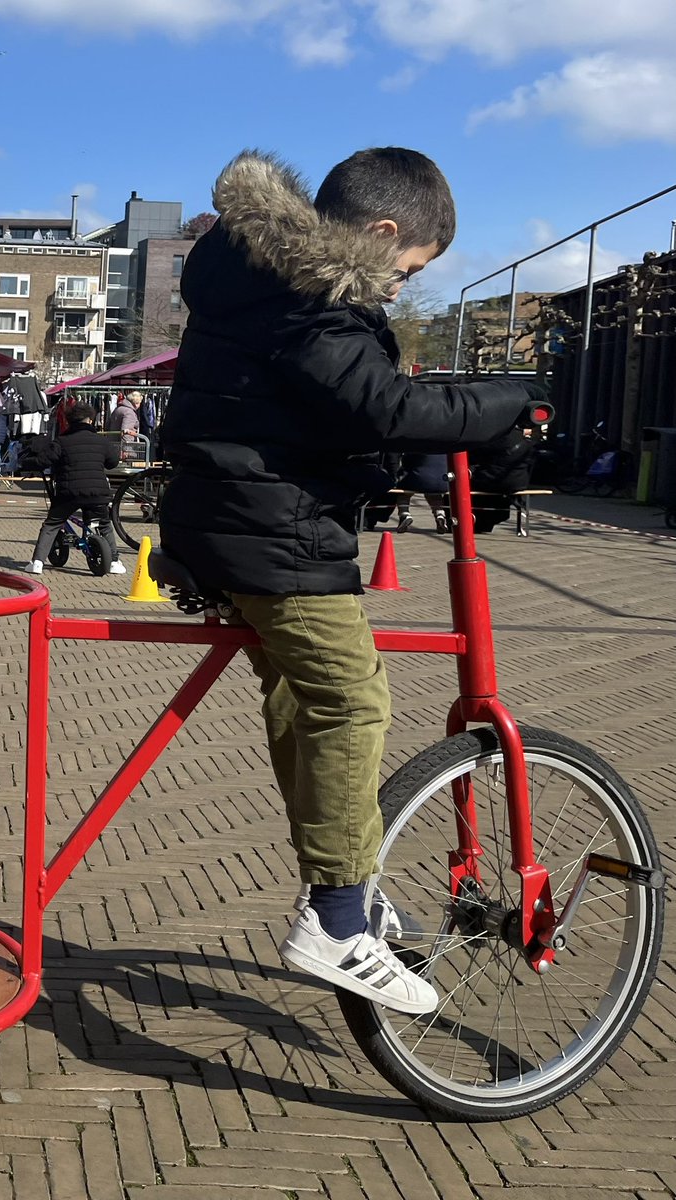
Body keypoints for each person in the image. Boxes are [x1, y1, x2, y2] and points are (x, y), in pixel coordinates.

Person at [158, 147, 547, 1015]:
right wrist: (508, 402)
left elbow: (345, 404)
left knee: (302, 699)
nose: (400, 287)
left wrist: (463, 413)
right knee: (350, 700)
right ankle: (335, 917)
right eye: (407, 270)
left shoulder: (258, 269)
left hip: (230, 520)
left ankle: (339, 885)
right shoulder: (313, 296)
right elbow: (383, 408)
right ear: (379, 234)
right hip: (273, 533)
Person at [25, 401, 127, 575]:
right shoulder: (101, 441)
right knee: (104, 524)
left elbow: (43, 461)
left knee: (52, 524)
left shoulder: (62, 441)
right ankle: (114, 562)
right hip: (98, 492)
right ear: (90, 421)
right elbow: (112, 463)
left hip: (68, 492)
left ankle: (37, 563)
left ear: (70, 422)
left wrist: (27, 462)